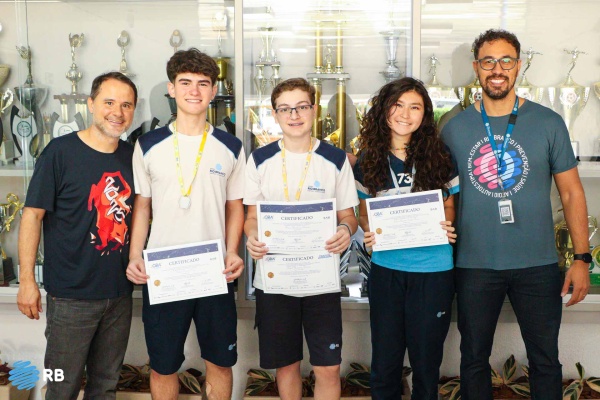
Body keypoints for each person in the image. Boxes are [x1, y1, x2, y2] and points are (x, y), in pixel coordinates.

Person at [441, 29, 591, 400]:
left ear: (518, 66)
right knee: (473, 359)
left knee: (545, 361)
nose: (497, 69)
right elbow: (440, 195)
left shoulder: (548, 122)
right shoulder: (453, 128)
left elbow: (572, 192)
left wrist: (581, 258)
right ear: (476, 67)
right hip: (474, 264)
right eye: (488, 61)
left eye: (506, 60)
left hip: (537, 265)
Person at [125, 48, 245, 400]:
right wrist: (135, 256)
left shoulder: (231, 146)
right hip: (164, 270)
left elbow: (235, 207)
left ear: (213, 91)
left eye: (203, 83)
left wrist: (233, 251)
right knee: (163, 365)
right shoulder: (147, 145)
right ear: (172, 89)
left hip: (215, 271)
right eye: (185, 82)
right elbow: (142, 206)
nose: (194, 90)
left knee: (220, 361)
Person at [16, 71, 138, 399]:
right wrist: (26, 281)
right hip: (71, 297)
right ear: (91, 104)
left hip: (118, 295)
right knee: (62, 386)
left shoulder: (132, 157)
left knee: (106, 386)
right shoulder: (59, 152)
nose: (117, 112)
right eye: (109, 102)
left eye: (126, 105)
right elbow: (32, 216)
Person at [244, 77, 359, 400]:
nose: (294, 115)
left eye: (301, 107)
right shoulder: (259, 160)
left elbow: (349, 216)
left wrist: (345, 230)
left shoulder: (335, 159)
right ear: (275, 114)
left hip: (320, 279)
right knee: (286, 366)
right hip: (275, 280)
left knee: (328, 368)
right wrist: (252, 237)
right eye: (285, 109)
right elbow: (251, 218)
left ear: (314, 110)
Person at [353, 77, 459, 400]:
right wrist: (369, 230)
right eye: (397, 105)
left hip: (433, 270)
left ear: (425, 114)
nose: (405, 114)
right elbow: (363, 212)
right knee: (385, 365)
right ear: (384, 109)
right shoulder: (368, 158)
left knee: (426, 366)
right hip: (387, 269)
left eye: (415, 107)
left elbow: (449, 205)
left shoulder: (439, 154)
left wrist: (447, 224)